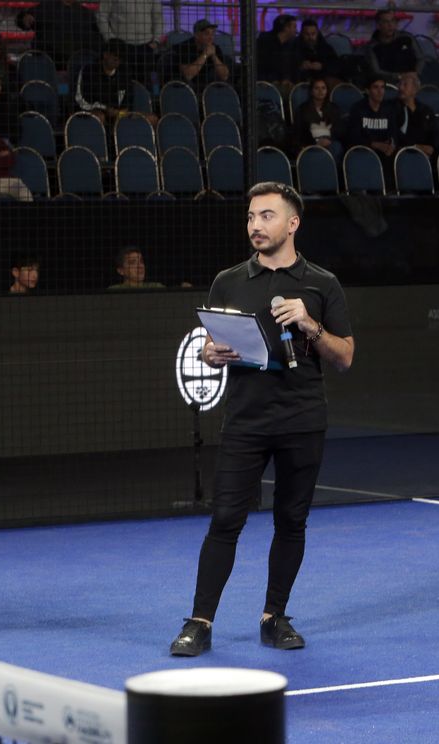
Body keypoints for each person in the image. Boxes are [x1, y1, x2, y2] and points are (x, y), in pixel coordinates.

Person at [169, 181, 354, 657]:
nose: (255, 225)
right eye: (251, 216)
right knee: (225, 519)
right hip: (246, 420)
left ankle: (275, 617)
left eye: (267, 216)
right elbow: (214, 345)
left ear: (292, 223)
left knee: (291, 521)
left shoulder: (322, 283)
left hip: (303, 418)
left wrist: (310, 324)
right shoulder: (227, 281)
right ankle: (199, 622)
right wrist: (212, 353)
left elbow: (345, 357)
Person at [15, 0, 101, 73]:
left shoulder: (86, 14)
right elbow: (22, 20)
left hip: (76, 67)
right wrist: (24, 19)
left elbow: (96, 40)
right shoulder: (46, 7)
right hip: (47, 64)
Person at [96, 0, 163, 86]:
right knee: (121, 84)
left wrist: (156, 41)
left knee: (147, 84)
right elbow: (101, 15)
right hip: (121, 48)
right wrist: (111, 40)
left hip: (146, 47)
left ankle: (150, 98)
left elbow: (158, 17)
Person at [345, 74, 399, 173]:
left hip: (384, 152)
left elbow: (394, 133)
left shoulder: (389, 109)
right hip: (364, 150)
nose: (380, 91)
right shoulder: (357, 109)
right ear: (367, 91)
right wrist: (375, 144)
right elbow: (353, 137)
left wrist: (391, 144)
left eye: (382, 87)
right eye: (376, 87)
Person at [75, 38, 129, 125]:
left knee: (151, 118)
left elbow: (127, 105)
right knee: (100, 116)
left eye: (120, 59)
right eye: (115, 58)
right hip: (88, 111)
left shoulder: (123, 73)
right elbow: (82, 102)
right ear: (105, 55)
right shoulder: (89, 71)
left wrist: (119, 112)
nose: (117, 61)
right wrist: (105, 108)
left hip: (116, 114)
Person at [364, 7, 424, 84]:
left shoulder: (407, 38)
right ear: (378, 25)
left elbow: (420, 58)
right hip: (389, 84)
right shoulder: (372, 47)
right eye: (386, 22)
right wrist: (400, 76)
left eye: (392, 21)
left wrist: (416, 73)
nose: (390, 25)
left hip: (414, 80)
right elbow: (376, 72)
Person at [173, 19, 231, 93]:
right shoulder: (185, 47)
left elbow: (225, 76)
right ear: (197, 35)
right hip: (188, 86)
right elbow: (188, 75)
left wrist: (214, 56)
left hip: (208, 85)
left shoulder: (215, 48)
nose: (211, 38)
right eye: (206, 34)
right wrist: (205, 55)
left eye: (212, 34)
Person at [290, 75, 340, 152]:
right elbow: (298, 133)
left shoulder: (334, 108)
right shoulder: (302, 109)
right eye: (317, 88)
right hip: (311, 144)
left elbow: (339, 131)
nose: (320, 91)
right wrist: (316, 143)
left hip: (330, 143)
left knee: (336, 147)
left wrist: (329, 140)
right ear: (311, 91)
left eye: (323, 88)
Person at [397, 71, 434, 157]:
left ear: (415, 90)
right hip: (403, 154)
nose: (400, 88)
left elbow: (434, 135)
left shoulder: (426, 111)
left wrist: (431, 147)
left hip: (425, 156)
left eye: (405, 85)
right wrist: (416, 146)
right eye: (399, 84)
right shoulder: (392, 109)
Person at [292, 18, 340, 85]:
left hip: (323, 79)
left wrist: (322, 66)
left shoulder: (325, 47)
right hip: (301, 79)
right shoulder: (294, 46)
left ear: (317, 33)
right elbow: (288, 65)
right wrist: (300, 66)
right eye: (307, 34)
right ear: (302, 34)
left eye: (313, 34)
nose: (310, 37)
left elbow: (336, 65)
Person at [256, 14, 297, 87]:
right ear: (286, 28)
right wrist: (272, 80)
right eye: (294, 27)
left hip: (281, 83)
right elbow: (260, 66)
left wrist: (286, 79)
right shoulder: (264, 42)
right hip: (264, 83)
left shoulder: (291, 44)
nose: (296, 30)